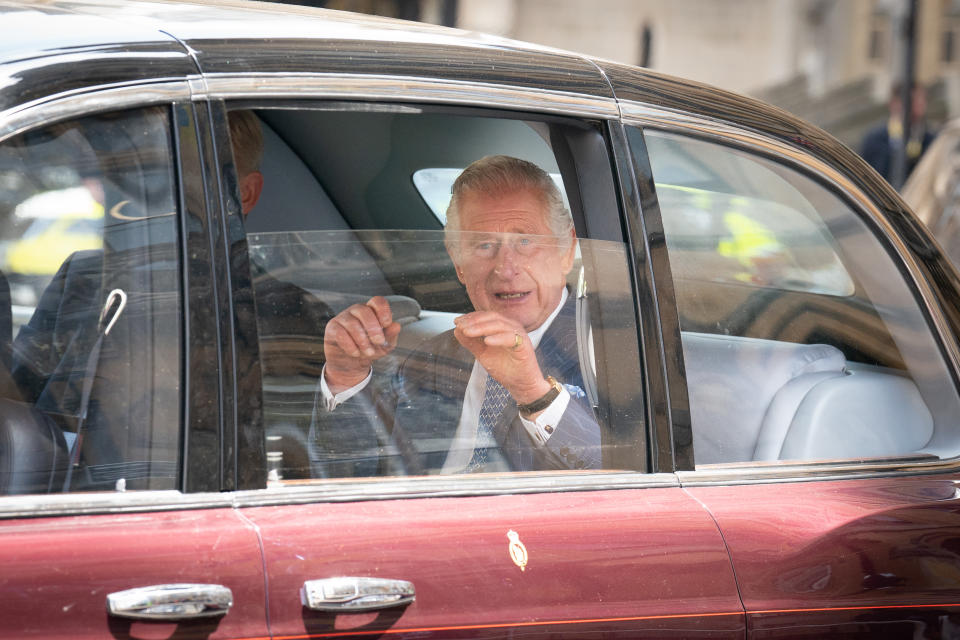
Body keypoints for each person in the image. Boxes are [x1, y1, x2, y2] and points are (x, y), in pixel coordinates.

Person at [309, 155, 601, 477]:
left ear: (566, 250)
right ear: (458, 262)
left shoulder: (618, 348)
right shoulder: (431, 360)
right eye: (484, 245)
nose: (506, 268)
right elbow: (355, 476)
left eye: (526, 241)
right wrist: (346, 377)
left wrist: (532, 392)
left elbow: (625, 484)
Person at [861, 82, 936, 186]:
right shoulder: (875, 140)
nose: (920, 105)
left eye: (922, 100)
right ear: (894, 104)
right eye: (913, 100)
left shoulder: (931, 140)